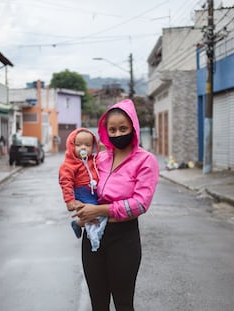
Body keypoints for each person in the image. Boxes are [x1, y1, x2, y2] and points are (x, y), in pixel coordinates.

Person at [73, 99, 159, 311]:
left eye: (123, 128)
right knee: (98, 304)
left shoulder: (146, 161)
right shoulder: (99, 158)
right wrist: (82, 210)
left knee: (123, 303)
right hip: (93, 238)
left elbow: (140, 204)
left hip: (124, 239)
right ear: (105, 131)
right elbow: (86, 189)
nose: (118, 134)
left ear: (133, 129)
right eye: (112, 129)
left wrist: (100, 210)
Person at [58, 128, 108, 251]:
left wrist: (103, 148)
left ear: (93, 147)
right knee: (94, 215)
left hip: (93, 191)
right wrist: (70, 201)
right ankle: (94, 238)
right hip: (81, 192)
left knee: (98, 212)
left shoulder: (93, 160)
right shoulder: (69, 165)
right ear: (71, 146)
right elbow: (66, 183)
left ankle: (78, 224)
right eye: (78, 145)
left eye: (88, 145)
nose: (83, 148)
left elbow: (103, 159)